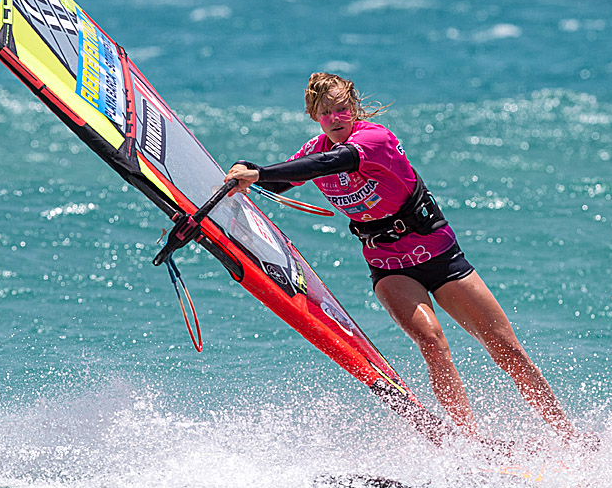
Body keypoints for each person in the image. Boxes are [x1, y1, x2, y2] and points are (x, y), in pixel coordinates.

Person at [225, 72, 586, 447]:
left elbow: (328, 165)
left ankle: (568, 436)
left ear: (354, 108)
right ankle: (472, 446)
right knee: (432, 342)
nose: (336, 118)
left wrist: (260, 173)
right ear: (313, 115)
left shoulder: (373, 139)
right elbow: (282, 180)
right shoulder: (314, 150)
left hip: (440, 255)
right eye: (326, 113)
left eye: (342, 109)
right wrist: (244, 170)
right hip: (388, 265)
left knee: (506, 348)